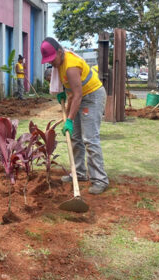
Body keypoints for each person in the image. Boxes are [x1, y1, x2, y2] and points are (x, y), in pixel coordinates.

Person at [40, 37, 109, 195]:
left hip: (92, 97)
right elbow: (72, 94)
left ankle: (100, 180)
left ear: (59, 52)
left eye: (53, 59)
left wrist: (69, 120)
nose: (52, 64)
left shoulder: (70, 65)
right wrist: (64, 95)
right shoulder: (60, 64)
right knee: (75, 137)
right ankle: (79, 173)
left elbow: (77, 95)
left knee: (90, 139)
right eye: (49, 61)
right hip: (79, 96)